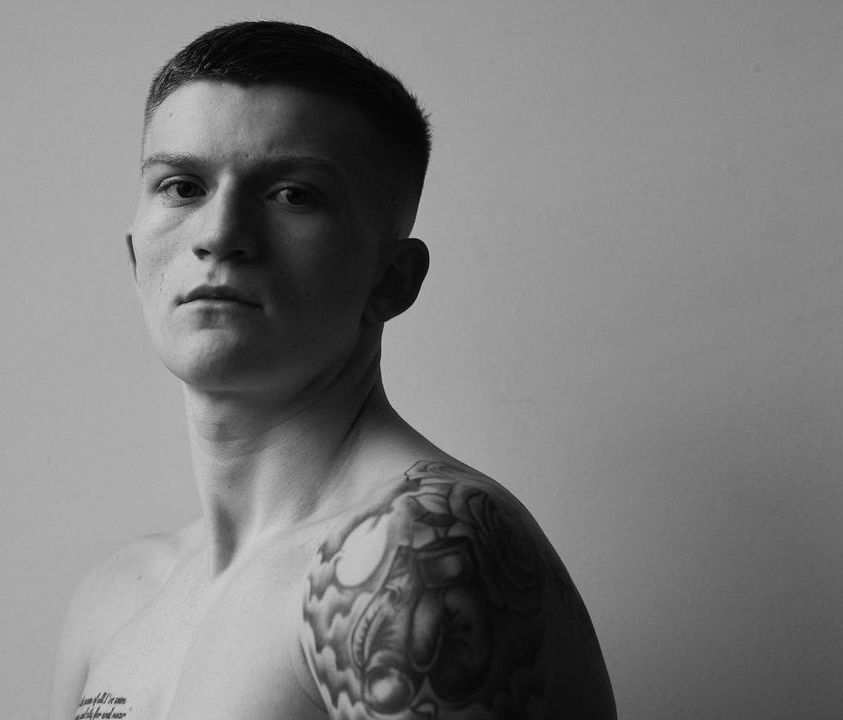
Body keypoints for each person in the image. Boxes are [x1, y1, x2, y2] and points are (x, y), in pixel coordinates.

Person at [50, 20, 616, 720]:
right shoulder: (113, 600)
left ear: (392, 279)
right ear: (136, 256)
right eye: (183, 186)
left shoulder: (413, 552)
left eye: (293, 194)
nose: (219, 235)